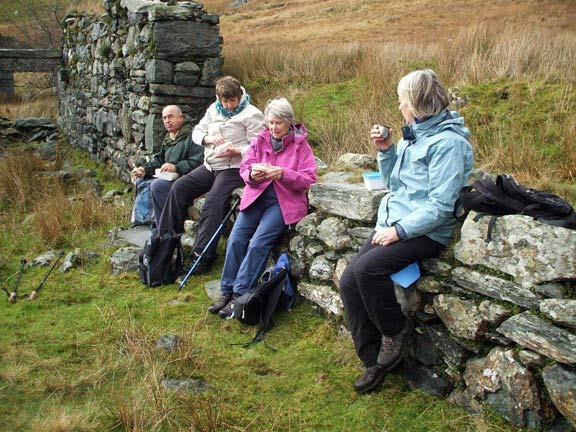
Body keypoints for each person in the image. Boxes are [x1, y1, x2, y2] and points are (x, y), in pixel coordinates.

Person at [339, 70, 474, 394]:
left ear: (415, 104)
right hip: (398, 222)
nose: (399, 106)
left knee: (369, 270)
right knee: (348, 280)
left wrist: (399, 231)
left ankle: (396, 329)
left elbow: (442, 205)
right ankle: (373, 361)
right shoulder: (414, 135)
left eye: (402, 101)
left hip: (427, 231)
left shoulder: (449, 144)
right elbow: (396, 185)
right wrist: (386, 150)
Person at [208, 97, 317, 319]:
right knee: (236, 239)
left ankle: (240, 294)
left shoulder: (301, 145)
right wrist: (252, 175)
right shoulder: (260, 140)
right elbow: (245, 167)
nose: (273, 127)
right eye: (270, 123)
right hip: (256, 196)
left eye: (278, 123)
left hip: (283, 202)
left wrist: (282, 174)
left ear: (289, 122)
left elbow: (309, 179)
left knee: (258, 243)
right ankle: (225, 291)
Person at [156, 76, 265, 274]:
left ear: (240, 96)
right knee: (178, 189)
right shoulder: (213, 109)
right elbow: (196, 133)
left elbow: (259, 146)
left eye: (233, 101)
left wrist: (237, 151)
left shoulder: (252, 114)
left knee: (213, 202)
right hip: (210, 165)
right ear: (219, 98)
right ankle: (165, 245)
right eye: (226, 102)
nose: (230, 105)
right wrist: (208, 138)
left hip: (234, 168)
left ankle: (201, 258)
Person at [130, 105, 204, 226]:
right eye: (164, 118)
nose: (167, 121)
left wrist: (176, 167)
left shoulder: (194, 136)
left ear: (181, 117)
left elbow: (197, 163)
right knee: (141, 180)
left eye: (170, 117)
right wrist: (144, 169)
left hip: (187, 179)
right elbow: (160, 159)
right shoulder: (169, 137)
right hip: (170, 177)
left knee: (157, 185)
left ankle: (166, 226)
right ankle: (145, 220)